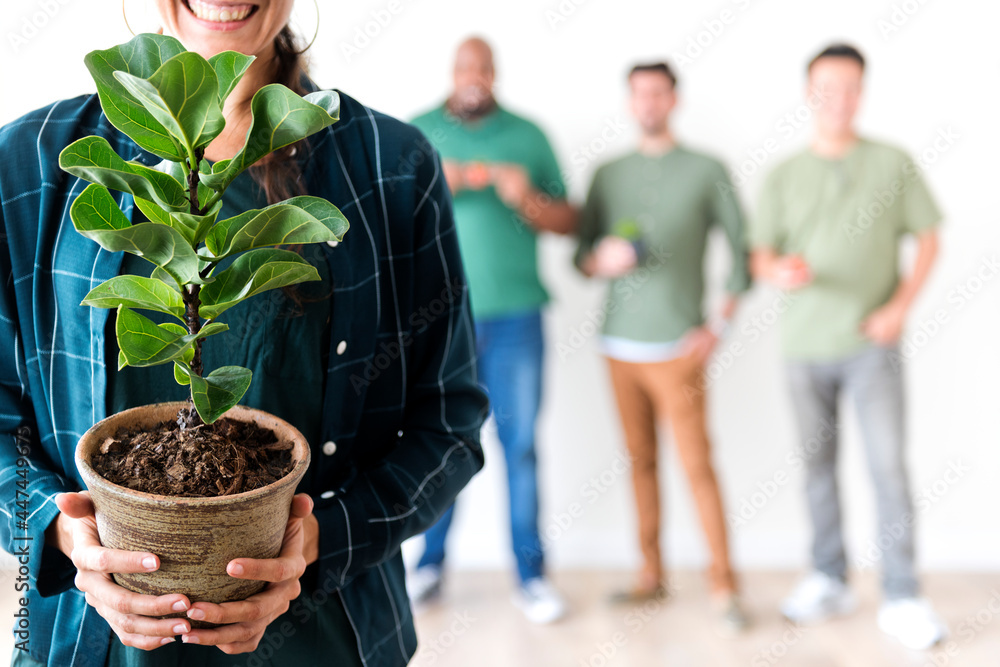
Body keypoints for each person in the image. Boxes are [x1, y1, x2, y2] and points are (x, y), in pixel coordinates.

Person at [0, 1, 488, 665]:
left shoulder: (390, 165)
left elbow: (448, 424)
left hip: (322, 640)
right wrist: (56, 531)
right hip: (90, 643)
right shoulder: (32, 162)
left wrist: (323, 540)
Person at [749, 44, 946, 649]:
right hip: (805, 346)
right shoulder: (782, 173)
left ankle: (903, 594)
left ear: (863, 92)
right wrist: (779, 270)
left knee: (887, 467)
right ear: (809, 92)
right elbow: (760, 256)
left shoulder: (893, 163)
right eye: (827, 87)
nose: (839, 98)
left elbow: (930, 237)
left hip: (870, 345)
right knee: (816, 467)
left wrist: (897, 309)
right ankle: (828, 577)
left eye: (851, 86)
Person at [574, 62, 751, 633]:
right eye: (639, 93)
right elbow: (582, 256)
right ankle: (651, 574)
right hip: (618, 348)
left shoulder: (707, 169)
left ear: (673, 98)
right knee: (640, 463)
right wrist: (599, 260)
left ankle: (724, 585)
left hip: (680, 349)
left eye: (658, 92)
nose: (648, 102)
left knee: (698, 465)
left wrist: (717, 326)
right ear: (630, 102)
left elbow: (744, 254)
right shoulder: (608, 173)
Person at [405, 37, 576, 625]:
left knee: (521, 447)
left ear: (495, 73)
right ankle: (428, 564)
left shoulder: (529, 136)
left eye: (483, 67)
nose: (473, 76)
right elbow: (390, 220)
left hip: (518, 321)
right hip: (442, 324)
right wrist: (434, 187)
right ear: (453, 73)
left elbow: (569, 220)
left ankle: (532, 578)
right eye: (464, 67)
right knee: (441, 443)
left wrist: (524, 198)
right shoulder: (418, 132)